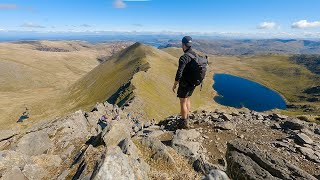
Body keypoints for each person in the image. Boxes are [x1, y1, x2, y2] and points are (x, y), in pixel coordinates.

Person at [172, 36, 196, 129]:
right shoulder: (194, 54)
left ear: (183, 45)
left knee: (182, 102)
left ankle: (184, 122)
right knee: (187, 99)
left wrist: (175, 84)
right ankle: (187, 117)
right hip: (193, 83)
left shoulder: (184, 57)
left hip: (185, 83)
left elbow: (179, 72)